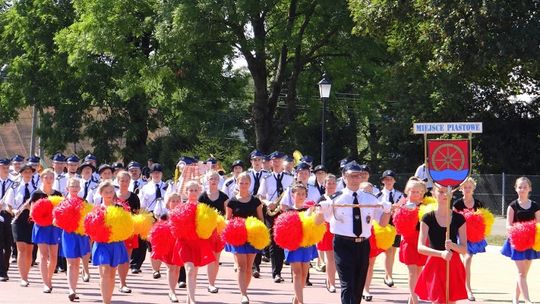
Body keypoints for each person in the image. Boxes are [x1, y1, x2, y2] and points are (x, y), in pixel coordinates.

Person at [319, 162, 391, 304]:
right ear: (344, 177)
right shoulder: (335, 199)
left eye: (358, 176)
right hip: (343, 244)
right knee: (347, 284)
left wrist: (387, 211)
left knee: (358, 285)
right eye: (351, 176)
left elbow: (382, 223)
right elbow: (318, 221)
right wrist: (322, 209)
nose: (355, 179)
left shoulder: (370, 199)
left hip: (363, 244)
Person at [415, 184, 468, 303]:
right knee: (437, 300)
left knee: (451, 300)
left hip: (453, 263)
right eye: (440, 192)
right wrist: (440, 254)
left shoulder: (459, 218)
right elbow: (420, 247)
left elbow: (464, 249)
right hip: (435, 263)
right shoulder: (427, 218)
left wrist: (453, 246)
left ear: (452, 194)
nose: (444, 194)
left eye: (447, 192)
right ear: (433, 194)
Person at [89, 180, 132, 304]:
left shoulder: (120, 208)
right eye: (106, 192)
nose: (109, 194)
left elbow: (127, 225)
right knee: (105, 271)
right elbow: (91, 228)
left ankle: (108, 297)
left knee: (112, 274)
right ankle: (105, 301)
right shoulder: (97, 209)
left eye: (111, 191)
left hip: (116, 243)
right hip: (102, 244)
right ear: (101, 193)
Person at [225, 172, 264, 304]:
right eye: (241, 182)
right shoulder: (231, 201)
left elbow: (261, 220)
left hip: (252, 237)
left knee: (249, 267)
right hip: (238, 237)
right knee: (242, 266)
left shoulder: (256, 201)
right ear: (237, 183)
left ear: (250, 184)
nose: (243, 185)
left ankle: (245, 289)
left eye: (246, 183)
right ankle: (244, 294)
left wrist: (260, 233)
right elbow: (227, 220)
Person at [283, 183, 324, 304]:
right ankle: (301, 301)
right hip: (293, 245)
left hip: (307, 244)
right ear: (292, 195)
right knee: (297, 273)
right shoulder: (289, 210)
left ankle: (296, 299)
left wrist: (317, 212)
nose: (300, 196)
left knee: (304, 274)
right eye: (298, 194)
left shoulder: (310, 209)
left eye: (303, 194)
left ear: (306, 195)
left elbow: (316, 224)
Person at [500, 177, 539, 304]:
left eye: (525, 187)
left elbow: (538, 224)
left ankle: (515, 298)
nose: (522, 189)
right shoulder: (512, 206)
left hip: (530, 243)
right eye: (520, 187)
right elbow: (508, 225)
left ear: (530, 189)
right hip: (517, 243)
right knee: (521, 273)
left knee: (523, 274)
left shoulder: (535, 206)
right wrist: (519, 231)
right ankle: (527, 300)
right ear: (516, 189)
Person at [257, 151, 294, 283]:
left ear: (283, 162)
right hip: (272, 212)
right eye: (274, 160)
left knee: (289, 241)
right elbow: (260, 196)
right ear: (271, 163)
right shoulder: (266, 179)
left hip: (286, 212)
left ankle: (294, 273)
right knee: (274, 242)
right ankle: (276, 273)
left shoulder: (291, 178)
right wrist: (268, 203)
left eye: (279, 160)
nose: (277, 162)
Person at [177, 180, 216, 304]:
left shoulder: (203, 208)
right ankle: (193, 300)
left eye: (195, 190)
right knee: (189, 269)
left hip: (199, 242)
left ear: (199, 191)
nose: (193, 193)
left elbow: (211, 224)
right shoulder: (181, 207)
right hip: (184, 242)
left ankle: (189, 298)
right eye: (191, 190)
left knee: (194, 271)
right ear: (186, 192)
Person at [55, 177, 91, 301]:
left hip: (81, 235)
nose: (74, 188)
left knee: (77, 262)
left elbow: (89, 219)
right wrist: (67, 223)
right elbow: (55, 221)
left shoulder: (84, 202)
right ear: (67, 188)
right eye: (72, 186)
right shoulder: (62, 203)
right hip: (68, 235)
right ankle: (72, 290)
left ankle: (76, 286)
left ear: (80, 188)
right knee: (71, 263)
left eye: (77, 186)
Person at [394, 178, 428, 304]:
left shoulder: (426, 206)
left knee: (419, 272)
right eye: (413, 191)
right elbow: (398, 229)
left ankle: (411, 300)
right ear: (407, 191)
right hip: (408, 242)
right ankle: (416, 301)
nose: (415, 194)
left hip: (422, 242)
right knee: (413, 273)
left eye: (418, 192)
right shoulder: (403, 206)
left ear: (423, 193)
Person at [4, 163, 38, 287]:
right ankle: (23, 277)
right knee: (21, 249)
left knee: (30, 250)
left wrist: (32, 208)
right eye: (25, 172)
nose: (28, 174)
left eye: (30, 172)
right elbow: (8, 206)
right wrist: (14, 211)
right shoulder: (15, 187)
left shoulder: (36, 188)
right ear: (22, 173)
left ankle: (26, 273)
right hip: (18, 220)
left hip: (32, 220)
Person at [452, 177, 485, 301]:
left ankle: (466, 287)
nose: (467, 189)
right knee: (467, 258)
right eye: (465, 187)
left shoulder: (478, 204)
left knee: (467, 260)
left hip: (473, 237)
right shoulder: (457, 204)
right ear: (461, 189)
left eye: (469, 187)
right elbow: (453, 220)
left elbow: (483, 220)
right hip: (460, 237)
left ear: (473, 189)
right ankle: (467, 288)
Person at [30, 169, 63, 293]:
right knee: (43, 256)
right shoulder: (36, 194)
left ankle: (49, 278)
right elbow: (32, 212)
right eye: (46, 178)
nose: (49, 180)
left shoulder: (58, 194)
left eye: (51, 178)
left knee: (54, 257)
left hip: (54, 227)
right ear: (42, 178)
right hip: (41, 227)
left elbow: (61, 211)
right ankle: (46, 283)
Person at [150, 192, 183, 303]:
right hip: (168, 246)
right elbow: (158, 231)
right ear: (168, 203)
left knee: (177, 268)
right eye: (173, 201)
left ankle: (173, 289)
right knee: (171, 268)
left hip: (180, 245)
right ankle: (172, 291)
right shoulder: (164, 216)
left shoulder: (184, 214)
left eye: (177, 201)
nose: (175, 203)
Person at [199, 170, 228, 293]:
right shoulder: (203, 197)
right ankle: (210, 283)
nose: (213, 181)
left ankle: (212, 282)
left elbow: (227, 214)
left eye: (216, 178)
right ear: (207, 180)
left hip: (219, 230)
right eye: (211, 178)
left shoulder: (224, 197)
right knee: (210, 257)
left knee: (216, 258)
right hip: (207, 230)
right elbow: (199, 214)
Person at [137, 163, 168, 277]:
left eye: (158, 172)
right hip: (151, 216)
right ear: (150, 174)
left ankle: (168, 265)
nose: (156, 175)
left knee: (165, 242)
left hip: (165, 216)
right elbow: (142, 205)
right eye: (154, 173)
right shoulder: (145, 188)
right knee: (153, 243)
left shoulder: (167, 186)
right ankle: (156, 270)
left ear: (161, 174)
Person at [377, 170, 403, 288]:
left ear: (394, 181)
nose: (388, 181)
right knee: (387, 250)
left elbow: (403, 208)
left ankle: (389, 274)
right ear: (382, 181)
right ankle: (388, 275)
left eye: (391, 179)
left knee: (393, 251)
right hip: (384, 224)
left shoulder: (400, 195)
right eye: (386, 179)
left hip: (395, 224)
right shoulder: (378, 195)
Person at [115, 170, 141, 294]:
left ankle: (123, 283)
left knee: (125, 258)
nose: (124, 183)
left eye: (126, 180)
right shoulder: (112, 196)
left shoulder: (134, 197)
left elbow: (137, 215)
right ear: (117, 181)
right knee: (115, 257)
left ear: (130, 181)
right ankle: (108, 279)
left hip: (129, 231)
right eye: (122, 180)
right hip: (114, 232)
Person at [316, 174, 338, 293]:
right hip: (326, 228)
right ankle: (331, 282)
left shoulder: (340, 197)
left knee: (337, 258)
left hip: (339, 228)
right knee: (330, 257)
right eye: (329, 183)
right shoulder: (321, 199)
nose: (331, 185)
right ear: (324, 185)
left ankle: (331, 280)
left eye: (333, 183)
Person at [0, 158, 15, 282]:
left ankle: (5, 267)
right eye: (3, 167)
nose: (5, 169)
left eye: (6, 167)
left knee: (8, 244)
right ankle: (2, 271)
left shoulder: (14, 183)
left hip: (8, 214)